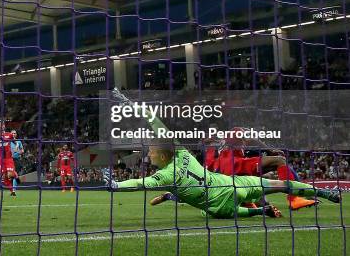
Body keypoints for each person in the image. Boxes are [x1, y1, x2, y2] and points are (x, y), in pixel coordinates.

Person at [105, 89, 339, 219]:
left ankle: (261, 210)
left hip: (221, 201)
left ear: (164, 156)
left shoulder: (164, 176)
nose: (150, 155)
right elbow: (155, 121)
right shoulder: (183, 153)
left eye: (152, 152)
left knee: (231, 210)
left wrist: (116, 186)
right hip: (234, 183)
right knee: (279, 184)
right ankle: (323, 193)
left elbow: (139, 182)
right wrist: (131, 104)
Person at [151, 134, 316, 211]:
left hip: (224, 176)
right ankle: (294, 198)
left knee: (195, 194)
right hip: (235, 168)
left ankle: (168, 195)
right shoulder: (230, 139)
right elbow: (255, 139)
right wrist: (271, 149)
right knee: (279, 161)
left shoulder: (215, 149)